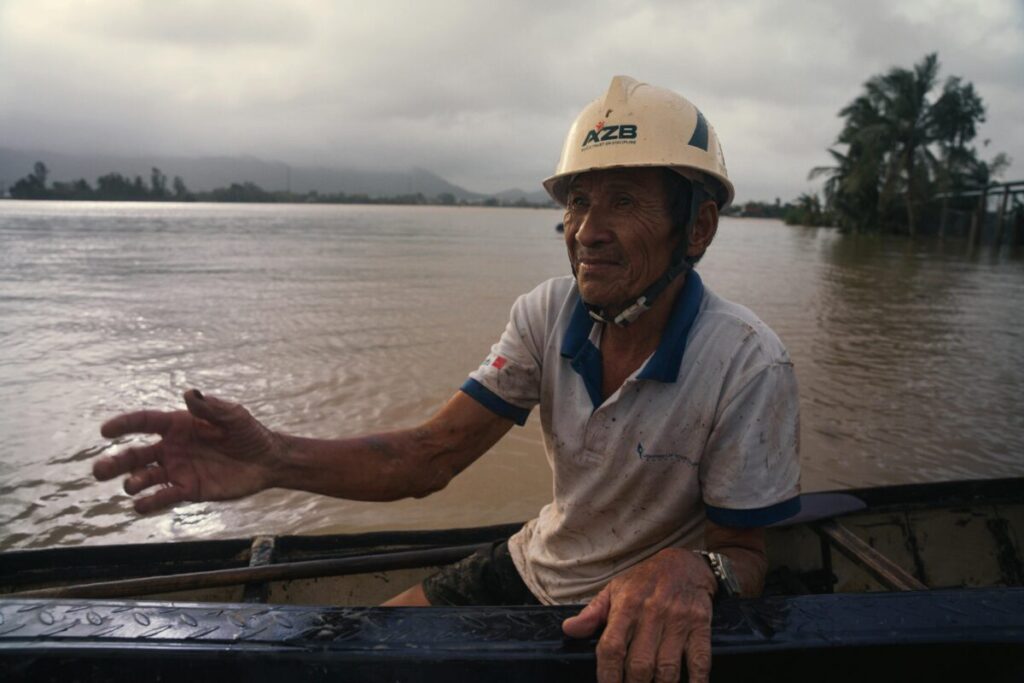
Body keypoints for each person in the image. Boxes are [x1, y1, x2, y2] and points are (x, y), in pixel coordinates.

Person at [93, 75, 800, 683]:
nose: (587, 229)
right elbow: (426, 458)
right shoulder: (548, 314)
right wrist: (272, 456)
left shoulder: (746, 362)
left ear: (698, 227)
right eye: (579, 201)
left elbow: (745, 554)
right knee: (351, 653)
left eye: (623, 200)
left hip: (623, 608)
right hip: (534, 564)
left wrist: (693, 570)